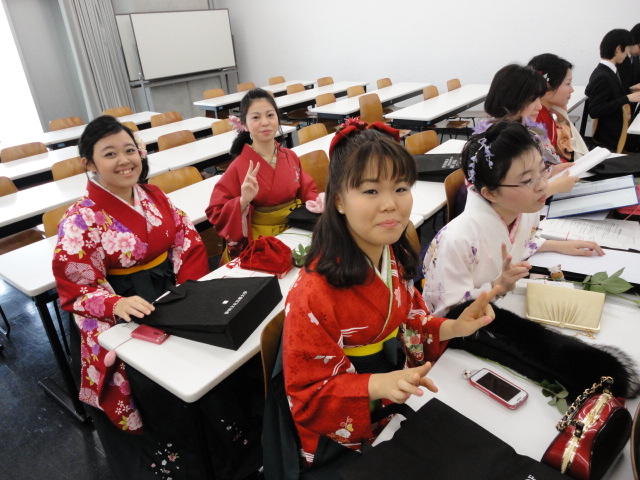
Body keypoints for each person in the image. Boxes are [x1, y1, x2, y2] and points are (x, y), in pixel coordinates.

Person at [282, 119, 498, 469]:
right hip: (359, 415)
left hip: (394, 386)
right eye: (371, 191)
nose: (390, 205)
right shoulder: (310, 294)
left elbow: (409, 320)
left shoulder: (390, 252)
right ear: (338, 200)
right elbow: (309, 394)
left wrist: (452, 327)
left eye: (400, 188)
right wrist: (376, 385)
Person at [52, 116, 259, 479]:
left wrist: (188, 292)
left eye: (129, 150)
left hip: (172, 295)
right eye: (110, 154)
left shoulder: (154, 197)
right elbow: (76, 284)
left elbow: (187, 240)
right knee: (154, 387)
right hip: (123, 312)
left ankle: (227, 452)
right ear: (90, 163)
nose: (124, 161)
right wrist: (116, 304)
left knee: (209, 364)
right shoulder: (79, 220)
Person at [423, 121, 604, 317]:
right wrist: (497, 286)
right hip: (468, 324)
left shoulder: (525, 210)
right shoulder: (457, 240)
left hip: (500, 306)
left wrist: (558, 245)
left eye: (543, 170)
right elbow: (446, 314)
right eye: (527, 180)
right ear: (490, 193)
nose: (542, 185)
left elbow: (519, 242)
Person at [206, 88, 318, 260]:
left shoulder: (290, 156)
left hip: (296, 230)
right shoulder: (238, 166)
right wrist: (242, 201)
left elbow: (307, 190)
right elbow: (216, 211)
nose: (265, 122)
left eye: (270, 115)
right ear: (244, 124)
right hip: (261, 242)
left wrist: (317, 203)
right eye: (256, 117)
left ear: (278, 118)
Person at [482, 64, 576, 196]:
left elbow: (536, 174)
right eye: (533, 100)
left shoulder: (526, 129)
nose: (539, 106)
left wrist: (553, 171)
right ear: (513, 100)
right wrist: (554, 187)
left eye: (539, 99)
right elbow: (509, 196)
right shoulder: (498, 141)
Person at [586, 28, 640, 151]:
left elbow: (612, 94)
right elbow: (594, 111)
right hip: (610, 137)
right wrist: (627, 98)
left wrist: (631, 89)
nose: (627, 54)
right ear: (618, 49)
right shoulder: (602, 76)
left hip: (616, 130)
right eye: (627, 50)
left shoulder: (610, 71)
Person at [528, 53, 589, 161]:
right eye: (568, 83)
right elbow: (547, 161)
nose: (572, 90)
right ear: (548, 87)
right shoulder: (535, 117)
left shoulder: (546, 112)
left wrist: (562, 116)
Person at [618, 23, 640, 115]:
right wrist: (631, 89)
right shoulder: (618, 60)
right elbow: (615, 90)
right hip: (620, 111)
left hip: (632, 107)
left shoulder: (635, 57)